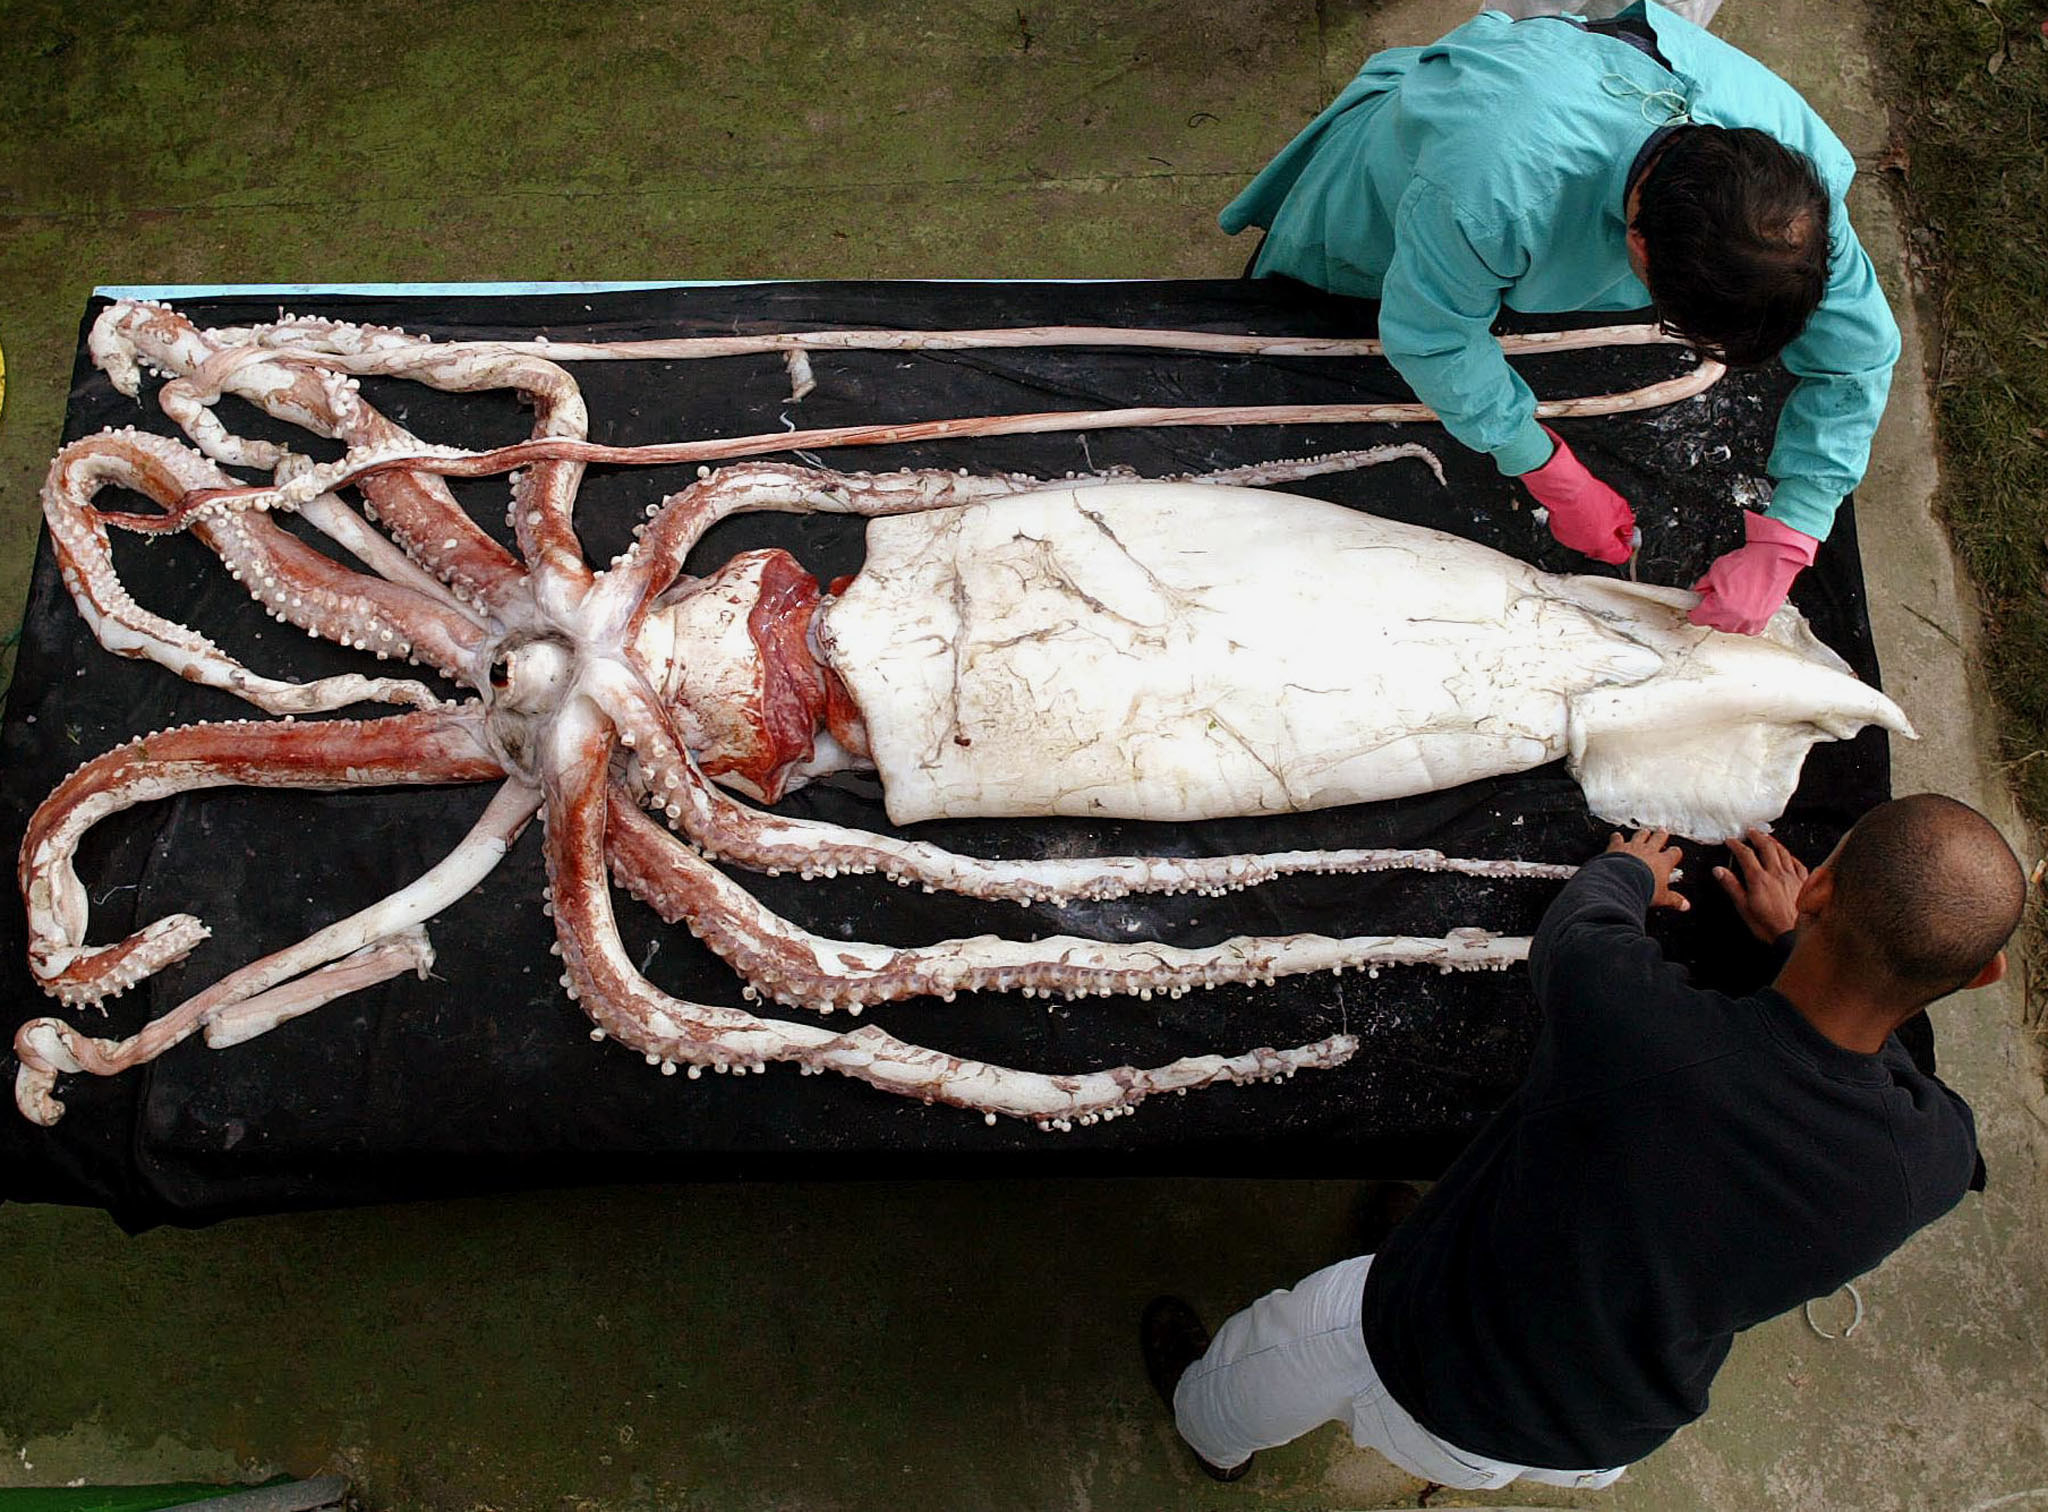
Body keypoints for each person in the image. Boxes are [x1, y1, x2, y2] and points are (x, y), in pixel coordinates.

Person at [1141, 793, 2024, 1490]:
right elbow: (1882, 1054)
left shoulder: (1638, 1027)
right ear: (1984, 977)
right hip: (1609, 1433)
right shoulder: (1938, 1158)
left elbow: (1579, 936)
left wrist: (1627, 874)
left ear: (1817, 889)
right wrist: (1800, 940)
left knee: (1263, 1362)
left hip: (1423, 1357)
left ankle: (1212, 1436)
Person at [1219, 1, 1901, 635]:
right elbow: (1433, 335)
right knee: (1303, 326)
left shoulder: (1781, 191)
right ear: (1637, 245)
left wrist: (1793, 533)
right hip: (1387, 205)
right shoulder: (1490, 190)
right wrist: (1547, 468)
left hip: (1527, 189)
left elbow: (1859, 354)